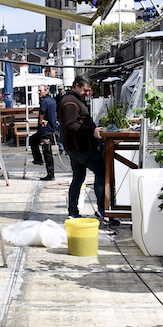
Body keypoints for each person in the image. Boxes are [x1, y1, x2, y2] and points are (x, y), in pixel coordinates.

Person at [58, 75, 119, 224]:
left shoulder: (72, 100)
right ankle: (102, 210)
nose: (87, 93)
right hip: (81, 148)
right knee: (101, 172)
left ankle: (73, 212)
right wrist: (92, 131)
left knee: (78, 178)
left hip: (75, 147)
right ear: (77, 86)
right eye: (85, 90)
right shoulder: (70, 103)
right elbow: (71, 126)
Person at [29, 84, 58, 181]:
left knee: (47, 152)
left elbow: (42, 111)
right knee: (33, 140)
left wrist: (41, 120)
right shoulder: (52, 100)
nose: (38, 92)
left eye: (40, 90)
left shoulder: (44, 102)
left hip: (46, 130)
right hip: (51, 128)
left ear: (46, 91)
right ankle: (38, 160)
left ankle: (50, 173)